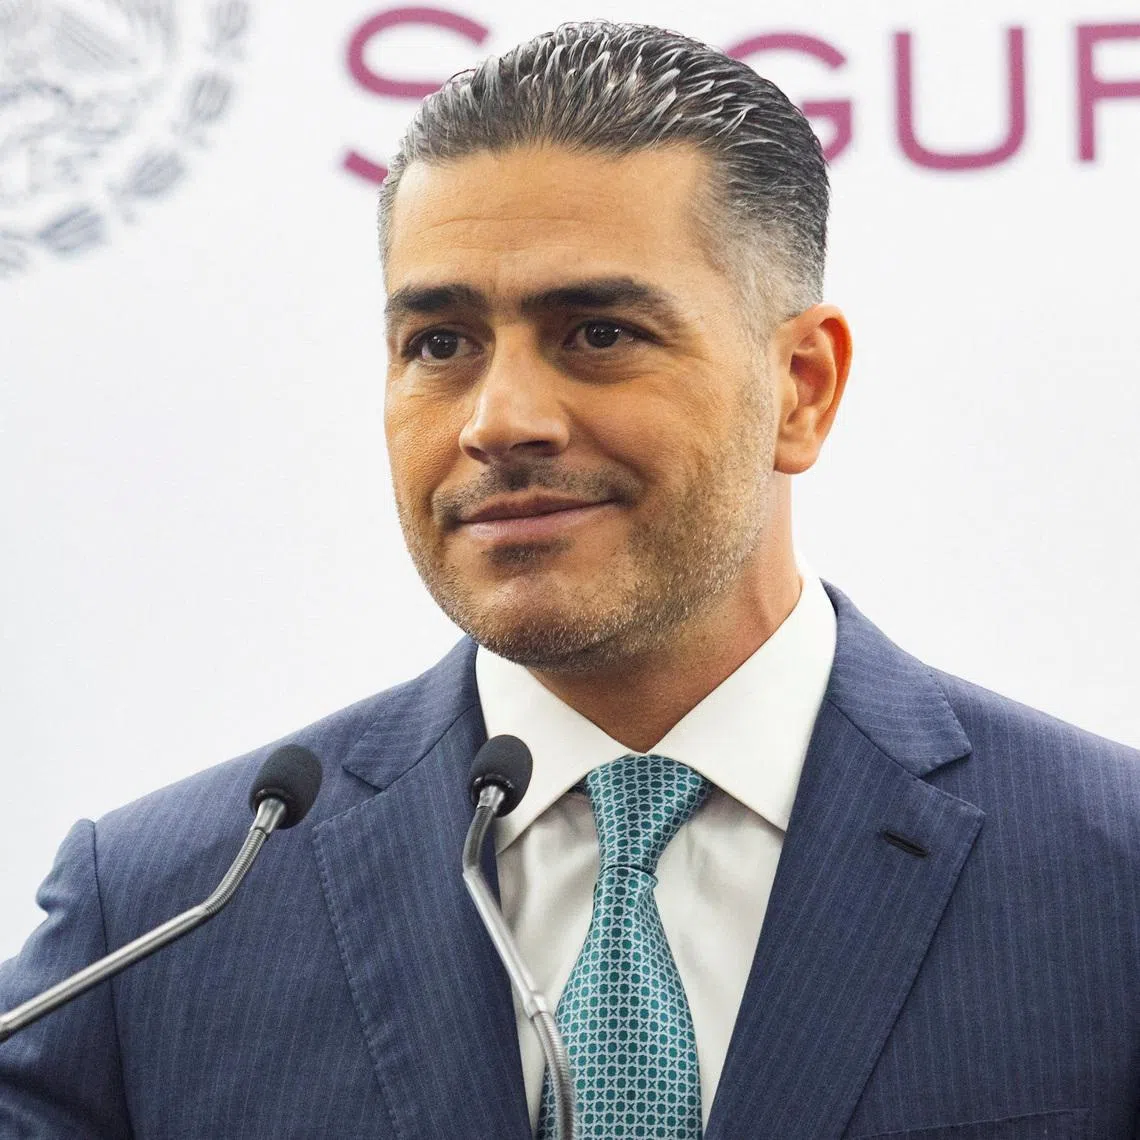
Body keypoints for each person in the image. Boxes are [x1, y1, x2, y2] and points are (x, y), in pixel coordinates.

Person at [1, 20, 1138, 1140]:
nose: (501, 422)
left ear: (801, 388)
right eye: (440, 344)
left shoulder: (1110, 872)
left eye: (596, 331)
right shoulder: (163, 912)